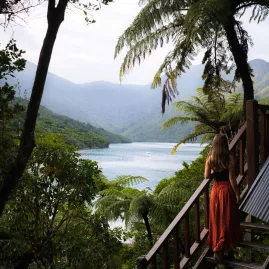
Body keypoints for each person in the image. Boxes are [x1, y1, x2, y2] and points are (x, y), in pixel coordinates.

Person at [204, 134, 240, 264]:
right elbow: (232, 180)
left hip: (215, 191)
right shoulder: (229, 158)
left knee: (217, 219)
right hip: (226, 191)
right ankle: (220, 248)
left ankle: (220, 248)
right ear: (225, 144)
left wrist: (214, 170)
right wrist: (238, 194)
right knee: (227, 219)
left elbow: (206, 176)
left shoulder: (210, 158)